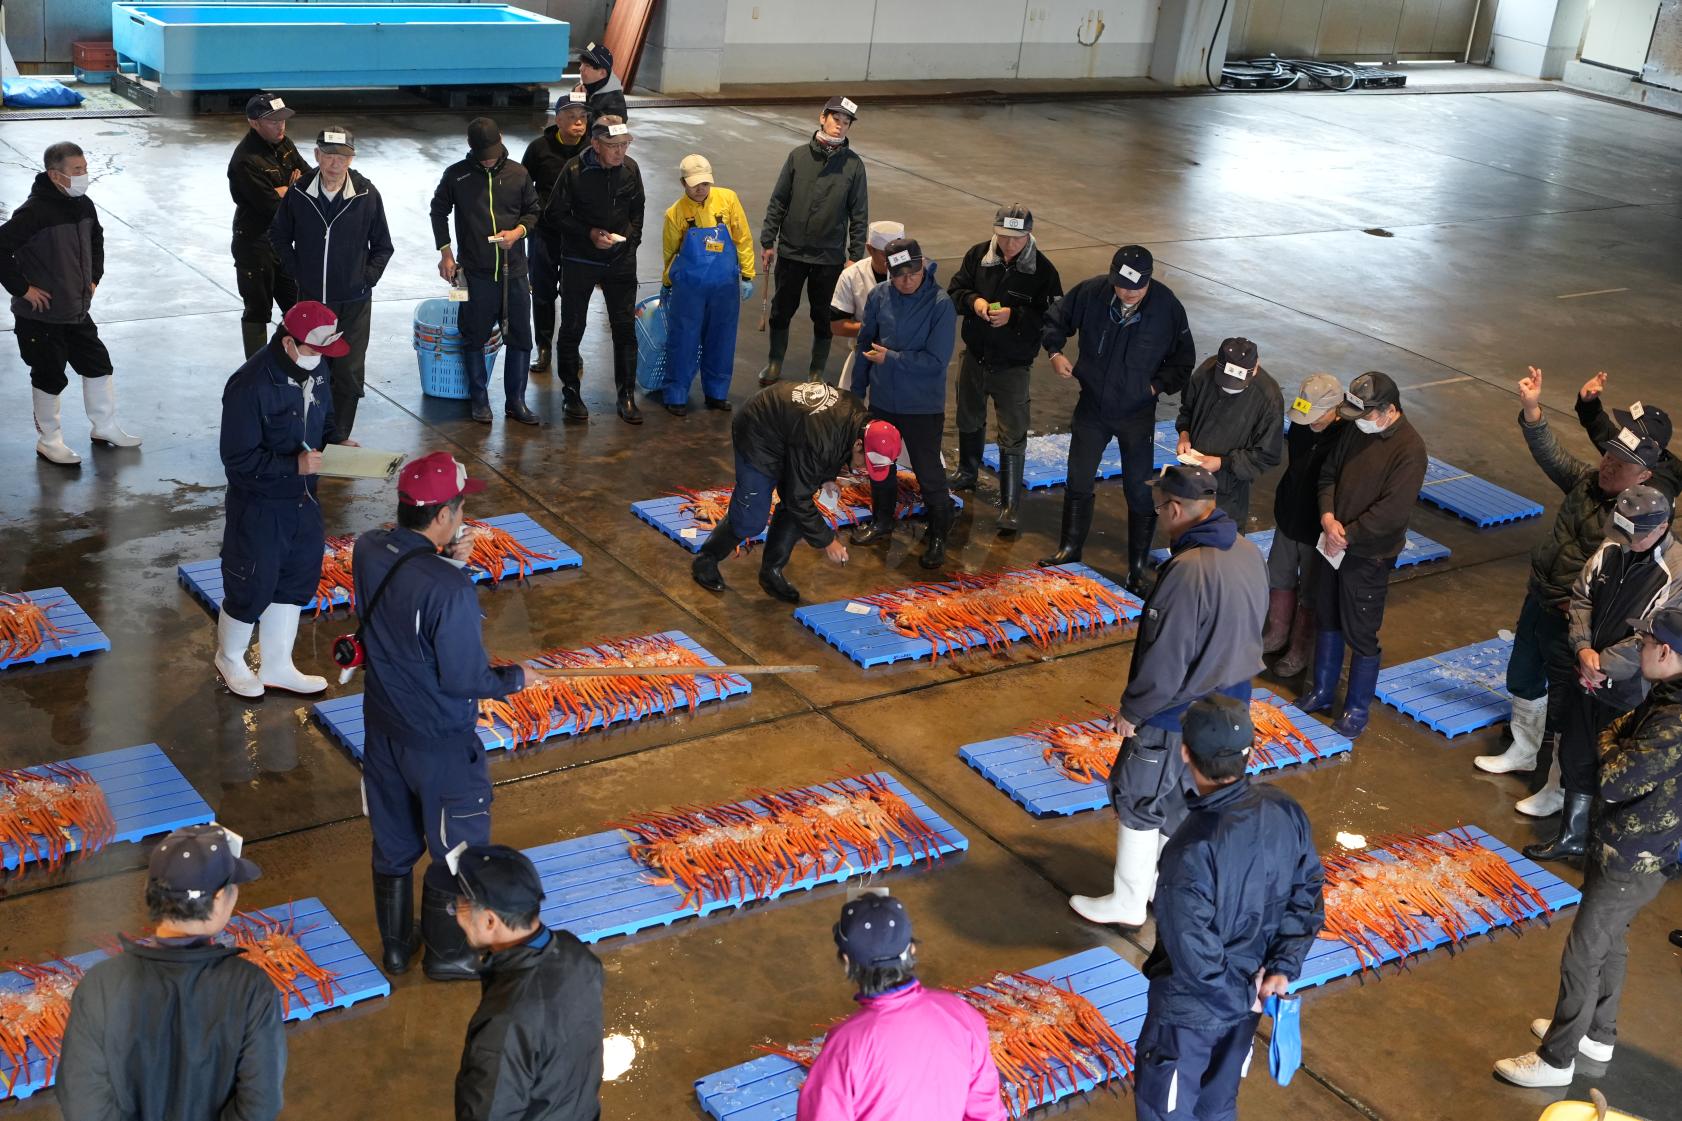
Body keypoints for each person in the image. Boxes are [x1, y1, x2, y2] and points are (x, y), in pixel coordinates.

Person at [353, 453, 532, 981]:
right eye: (459, 507)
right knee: (458, 848)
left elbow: (406, 588)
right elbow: (464, 678)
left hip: (384, 729)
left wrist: (448, 558)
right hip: (441, 743)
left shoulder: (367, 548)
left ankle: (393, 949)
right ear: (445, 515)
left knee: (393, 841)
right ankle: (448, 955)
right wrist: (517, 679)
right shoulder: (448, 587)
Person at [1069, 465, 1267, 928]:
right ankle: (1165, 886)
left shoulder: (1187, 569)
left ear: (1176, 509)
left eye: (1160, 507)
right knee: (1184, 799)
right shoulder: (1247, 551)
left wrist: (1133, 711)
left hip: (1176, 709)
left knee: (1138, 793)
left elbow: (1167, 656)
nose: (1159, 516)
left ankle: (1129, 901)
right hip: (1232, 703)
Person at [1493, 607, 1682, 1089]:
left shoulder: (1673, 721)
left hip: (1636, 854)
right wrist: (1615, 743)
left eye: (1645, 641)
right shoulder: (1668, 693)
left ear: (1666, 651)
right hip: (1626, 843)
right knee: (1610, 941)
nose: (1638, 647)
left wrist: (1612, 748)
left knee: (1584, 951)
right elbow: (1615, 733)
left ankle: (1556, 1060)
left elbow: (1615, 781)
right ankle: (1597, 1034)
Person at [1472, 369, 1662, 811]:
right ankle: (1523, 750)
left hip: (1574, 620)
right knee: (1521, 676)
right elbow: (1550, 454)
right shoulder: (1584, 481)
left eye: (1621, 465)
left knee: (1566, 709)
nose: (1608, 466)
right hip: (1538, 598)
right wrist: (1532, 409)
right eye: (1608, 457)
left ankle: (1558, 787)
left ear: (1645, 475)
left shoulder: (1635, 523)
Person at [1135, 695, 1325, 1121]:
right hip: (1248, 1003)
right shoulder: (1284, 808)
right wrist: (1281, 966)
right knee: (1218, 1106)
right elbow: (1308, 889)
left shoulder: (1188, 850)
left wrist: (1242, 996)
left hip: (1190, 1015)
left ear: (1185, 753)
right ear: (1251, 753)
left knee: (1165, 1111)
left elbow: (1193, 957)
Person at [57, 824, 284, 1121]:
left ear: (148, 893)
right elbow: (260, 1104)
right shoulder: (252, 989)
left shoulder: (100, 984)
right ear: (219, 900)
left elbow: (81, 1100)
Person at [1526, 485, 1680, 861]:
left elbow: (1651, 638)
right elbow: (1581, 597)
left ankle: (1604, 845)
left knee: (1618, 769)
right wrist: (1583, 650)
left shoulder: (1674, 573)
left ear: (1660, 528)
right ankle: (1572, 835)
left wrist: (1601, 665)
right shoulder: (1614, 545)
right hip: (1588, 676)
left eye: (1635, 535)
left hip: (1630, 690)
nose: (1625, 542)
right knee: (1577, 751)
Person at [1039, 245, 1196, 594]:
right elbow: (1055, 317)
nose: (1128, 293)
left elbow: (1184, 361)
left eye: (1136, 287)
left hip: (1137, 414)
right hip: (1092, 406)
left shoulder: (1167, 308)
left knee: (1139, 491)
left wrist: (1154, 387)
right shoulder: (1092, 292)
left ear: (1149, 280)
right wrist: (1054, 351)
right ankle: (1070, 550)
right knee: (1078, 479)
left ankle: (1137, 568)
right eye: (1122, 285)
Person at [214, 301, 347, 701]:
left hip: (304, 500)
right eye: (313, 349)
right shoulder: (249, 385)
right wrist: (295, 465)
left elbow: (324, 420)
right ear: (288, 343)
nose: (320, 358)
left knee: (295, 579)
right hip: (259, 506)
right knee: (252, 582)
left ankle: (277, 664)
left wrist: (337, 444)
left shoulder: (317, 366)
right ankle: (231, 657)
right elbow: (237, 461)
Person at [795, 894, 1007, 1121]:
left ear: (847, 962)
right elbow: (987, 1114)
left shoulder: (846, 1044)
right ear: (912, 951)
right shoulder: (962, 1014)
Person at [1300, 371, 1428, 738]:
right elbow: (1328, 475)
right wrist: (1327, 516)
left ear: (1389, 410)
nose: (1362, 424)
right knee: (1327, 615)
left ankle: (1356, 708)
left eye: (1368, 416)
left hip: (1368, 555)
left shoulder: (1410, 450)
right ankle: (1323, 691)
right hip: (1332, 542)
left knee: (1361, 630)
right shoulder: (1356, 429)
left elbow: (1393, 512)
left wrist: (1349, 535)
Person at [690, 381, 902, 603]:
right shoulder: (822, 438)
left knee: (798, 504)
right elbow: (797, 497)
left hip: (793, 434)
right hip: (758, 431)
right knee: (752, 519)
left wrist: (827, 478)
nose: (863, 470)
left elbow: (832, 445)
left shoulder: (857, 418)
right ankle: (706, 558)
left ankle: (771, 572)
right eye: (864, 463)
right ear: (859, 445)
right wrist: (827, 540)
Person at [1, 140, 139, 466]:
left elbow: (96, 240)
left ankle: (104, 427)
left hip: (77, 311)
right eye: (77, 171)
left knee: (98, 365)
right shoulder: (34, 212)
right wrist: (23, 289)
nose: (84, 175)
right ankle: (49, 440)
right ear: (55, 175)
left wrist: (94, 278)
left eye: (85, 168)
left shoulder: (83, 204)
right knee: (49, 375)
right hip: (42, 316)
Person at [452, 845, 604, 1121]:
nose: (457, 916)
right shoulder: (577, 954)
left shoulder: (505, 1021)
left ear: (489, 920)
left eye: (459, 905)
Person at [268, 126, 393, 440]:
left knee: (348, 369)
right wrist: (297, 270)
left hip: (353, 302)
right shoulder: (299, 193)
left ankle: (338, 436)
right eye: (328, 155)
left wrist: (366, 279)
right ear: (316, 155)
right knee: (308, 366)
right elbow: (279, 236)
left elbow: (383, 246)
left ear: (351, 159)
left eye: (342, 156)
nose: (335, 163)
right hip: (311, 301)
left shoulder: (366, 195)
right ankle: (307, 430)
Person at [945, 205, 1064, 533]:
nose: (1009, 245)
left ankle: (1010, 504)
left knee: (1012, 434)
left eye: (1016, 239)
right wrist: (975, 302)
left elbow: (1054, 319)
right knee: (968, 416)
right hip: (975, 357)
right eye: (1003, 237)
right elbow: (955, 292)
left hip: (1013, 367)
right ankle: (967, 473)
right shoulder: (977, 256)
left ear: (1029, 234)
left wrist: (1017, 317)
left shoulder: (1043, 272)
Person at [850, 237, 958, 569]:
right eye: (898, 275)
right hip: (883, 402)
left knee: (928, 473)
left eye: (911, 272)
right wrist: (857, 396)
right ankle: (883, 520)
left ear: (922, 264)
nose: (906, 280)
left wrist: (891, 358)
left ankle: (939, 532)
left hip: (922, 407)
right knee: (880, 466)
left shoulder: (941, 305)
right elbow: (865, 344)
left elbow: (937, 361)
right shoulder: (879, 296)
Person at [430, 118, 540, 426]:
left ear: (501, 138)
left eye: (492, 150)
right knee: (473, 337)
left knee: (519, 338)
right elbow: (438, 211)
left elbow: (534, 211)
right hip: (475, 273)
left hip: (515, 272)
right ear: (470, 148)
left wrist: (518, 231)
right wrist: (446, 253)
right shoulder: (457, 175)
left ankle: (515, 402)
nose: (489, 158)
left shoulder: (519, 173)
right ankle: (479, 400)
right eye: (482, 153)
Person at [542, 114, 645, 424]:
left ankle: (626, 393)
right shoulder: (574, 171)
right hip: (580, 260)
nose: (620, 151)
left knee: (625, 328)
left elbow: (637, 213)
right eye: (613, 145)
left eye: (625, 144)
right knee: (573, 326)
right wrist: (588, 234)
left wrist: (626, 244)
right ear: (595, 144)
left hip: (620, 261)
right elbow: (554, 214)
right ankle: (571, 392)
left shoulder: (631, 169)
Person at [758, 95, 868, 386]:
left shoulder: (854, 166)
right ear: (823, 117)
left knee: (824, 315)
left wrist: (854, 256)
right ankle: (774, 362)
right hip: (792, 252)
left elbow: (859, 214)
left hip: (829, 258)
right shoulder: (798, 157)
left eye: (846, 123)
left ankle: (817, 371)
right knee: (782, 310)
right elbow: (778, 200)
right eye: (836, 119)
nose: (840, 126)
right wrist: (768, 240)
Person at [658, 153, 756, 416]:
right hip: (689, 290)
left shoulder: (728, 200)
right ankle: (676, 393)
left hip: (724, 287)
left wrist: (747, 275)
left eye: (705, 184)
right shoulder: (675, 214)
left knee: (722, 339)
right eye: (695, 184)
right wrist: (667, 282)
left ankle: (717, 392)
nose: (701, 189)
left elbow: (743, 238)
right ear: (683, 183)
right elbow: (670, 253)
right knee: (684, 339)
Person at [1265, 373, 1344, 680]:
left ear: (1335, 408)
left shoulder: (1347, 437)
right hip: (1289, 515)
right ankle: (1276, 634)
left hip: (1318, 527)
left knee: (1310, 591)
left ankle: (1300, 649)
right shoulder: (1302, 422)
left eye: (1316, 416)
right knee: (1279, 577)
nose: (1308, 421)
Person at [1174, 336, 1284, 527]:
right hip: (1191, 477)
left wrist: (1222, 463)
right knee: (1184, 535)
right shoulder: (1205, 373)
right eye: (1224, 381)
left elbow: (1268, 455)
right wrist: (1184, 433)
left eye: (1236, 385)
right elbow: (1187, 409)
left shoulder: (1269, 398)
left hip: (1228, 490)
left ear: (1255, 367)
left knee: (1219, 545)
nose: (1228, 388)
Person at [228, 93, 307, 357]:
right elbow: (271, 207)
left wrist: (288, 190)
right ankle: (256, 368)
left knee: (296, 304)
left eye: (283, 120)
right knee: (258, 309)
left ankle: (293, 360)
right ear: (254, 123)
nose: (281, 126)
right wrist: (288, 193)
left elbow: (308, 180)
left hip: (281, 242)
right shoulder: (244, 161)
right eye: (272, 121)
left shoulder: (285, 146)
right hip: (253, 244)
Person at [521, 93, 592, 375]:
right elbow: (523, 187)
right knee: (543, 292)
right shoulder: (539, 148)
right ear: (558, 119)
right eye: (572, 116)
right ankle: (544, 346)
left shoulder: (591, 148)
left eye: (583, 117)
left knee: (575, 294)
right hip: (545, 233)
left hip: (578, 234)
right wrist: (530, 221)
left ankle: (571, 348)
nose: (579, 122)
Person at [1574, 371, 1678, 497]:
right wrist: (1588, 403)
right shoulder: (1633, 449)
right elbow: (1601, 428)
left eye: (1619, 465)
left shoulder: (1656, 493)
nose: (1624, 435)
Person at [829, 219, 902, 391]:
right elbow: (837, 326)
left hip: (903, 361)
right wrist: (875, 328)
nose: (892, 261)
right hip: (865, 355)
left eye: (898, 254)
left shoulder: (915, 274)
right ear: (869, 249)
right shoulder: (851, 276)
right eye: (885, 254)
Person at [573, 42, 627, 123]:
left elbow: (605, 129)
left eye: (587, 66)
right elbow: (564, 114)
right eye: (581, 64)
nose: (581, 68)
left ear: (602, 73)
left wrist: (579, 103)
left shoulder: (614, 98)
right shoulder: (581, 87)